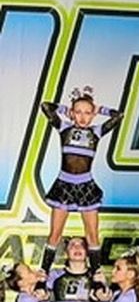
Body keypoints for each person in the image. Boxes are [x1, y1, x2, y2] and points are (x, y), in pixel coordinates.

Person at [40, 86, 123, 278]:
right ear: (72, 113)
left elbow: (118, 116)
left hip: (86, 186)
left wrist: (99, 109)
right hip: (64, 185)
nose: (83, 117)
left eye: (87, 113)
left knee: (92, 234)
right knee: (55, 234)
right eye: (78, 112)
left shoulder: (96, 131)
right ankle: (44, 271)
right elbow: (45, 106)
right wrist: (65, 111)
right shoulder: (64, 128)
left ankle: (96, 273)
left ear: (93, 115)